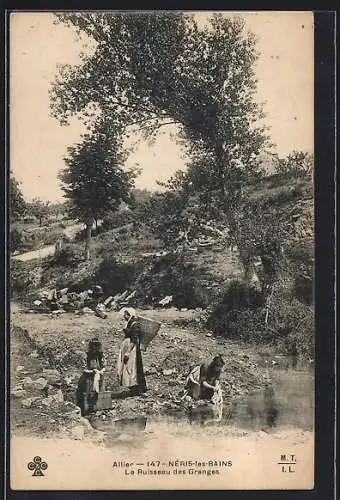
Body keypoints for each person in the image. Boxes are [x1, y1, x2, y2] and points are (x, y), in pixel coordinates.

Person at [117, 308, 147, 395]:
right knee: (127, 367)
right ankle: (132, 387)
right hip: (127, 347)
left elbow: (134, 340)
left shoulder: (135, 325)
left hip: (132, 349)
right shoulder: (129, 324)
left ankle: (138, 388)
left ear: (130, 315)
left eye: (126, 314)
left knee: (132, 367)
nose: (124, 316)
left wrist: (128, 352)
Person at [77, 337, 106, 414]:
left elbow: (104, 366)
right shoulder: (86, 356)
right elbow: (83, 369)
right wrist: (91, 371)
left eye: (97, 345)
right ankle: (88, 409)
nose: (95, 347)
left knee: (100, 392)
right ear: (91, 346)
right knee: (89, 393)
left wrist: (102, 370)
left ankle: (100, 408)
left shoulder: (101, 355)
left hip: (99, 377)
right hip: (89, 378)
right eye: (94, 345)